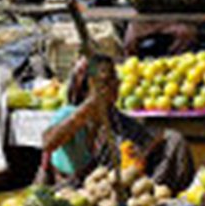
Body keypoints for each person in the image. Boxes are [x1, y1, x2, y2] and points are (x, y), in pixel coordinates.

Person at [39, 55, 195, 191]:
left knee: (174, 140)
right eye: (106, 81)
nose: (115, 85)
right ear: (88, 86)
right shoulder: (69, 113)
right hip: (73, 190)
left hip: (113, 191)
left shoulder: (117, 120)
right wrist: (88, 107)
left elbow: (143, 144)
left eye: (115, 79)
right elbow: (48, 143)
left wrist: (142, 154)